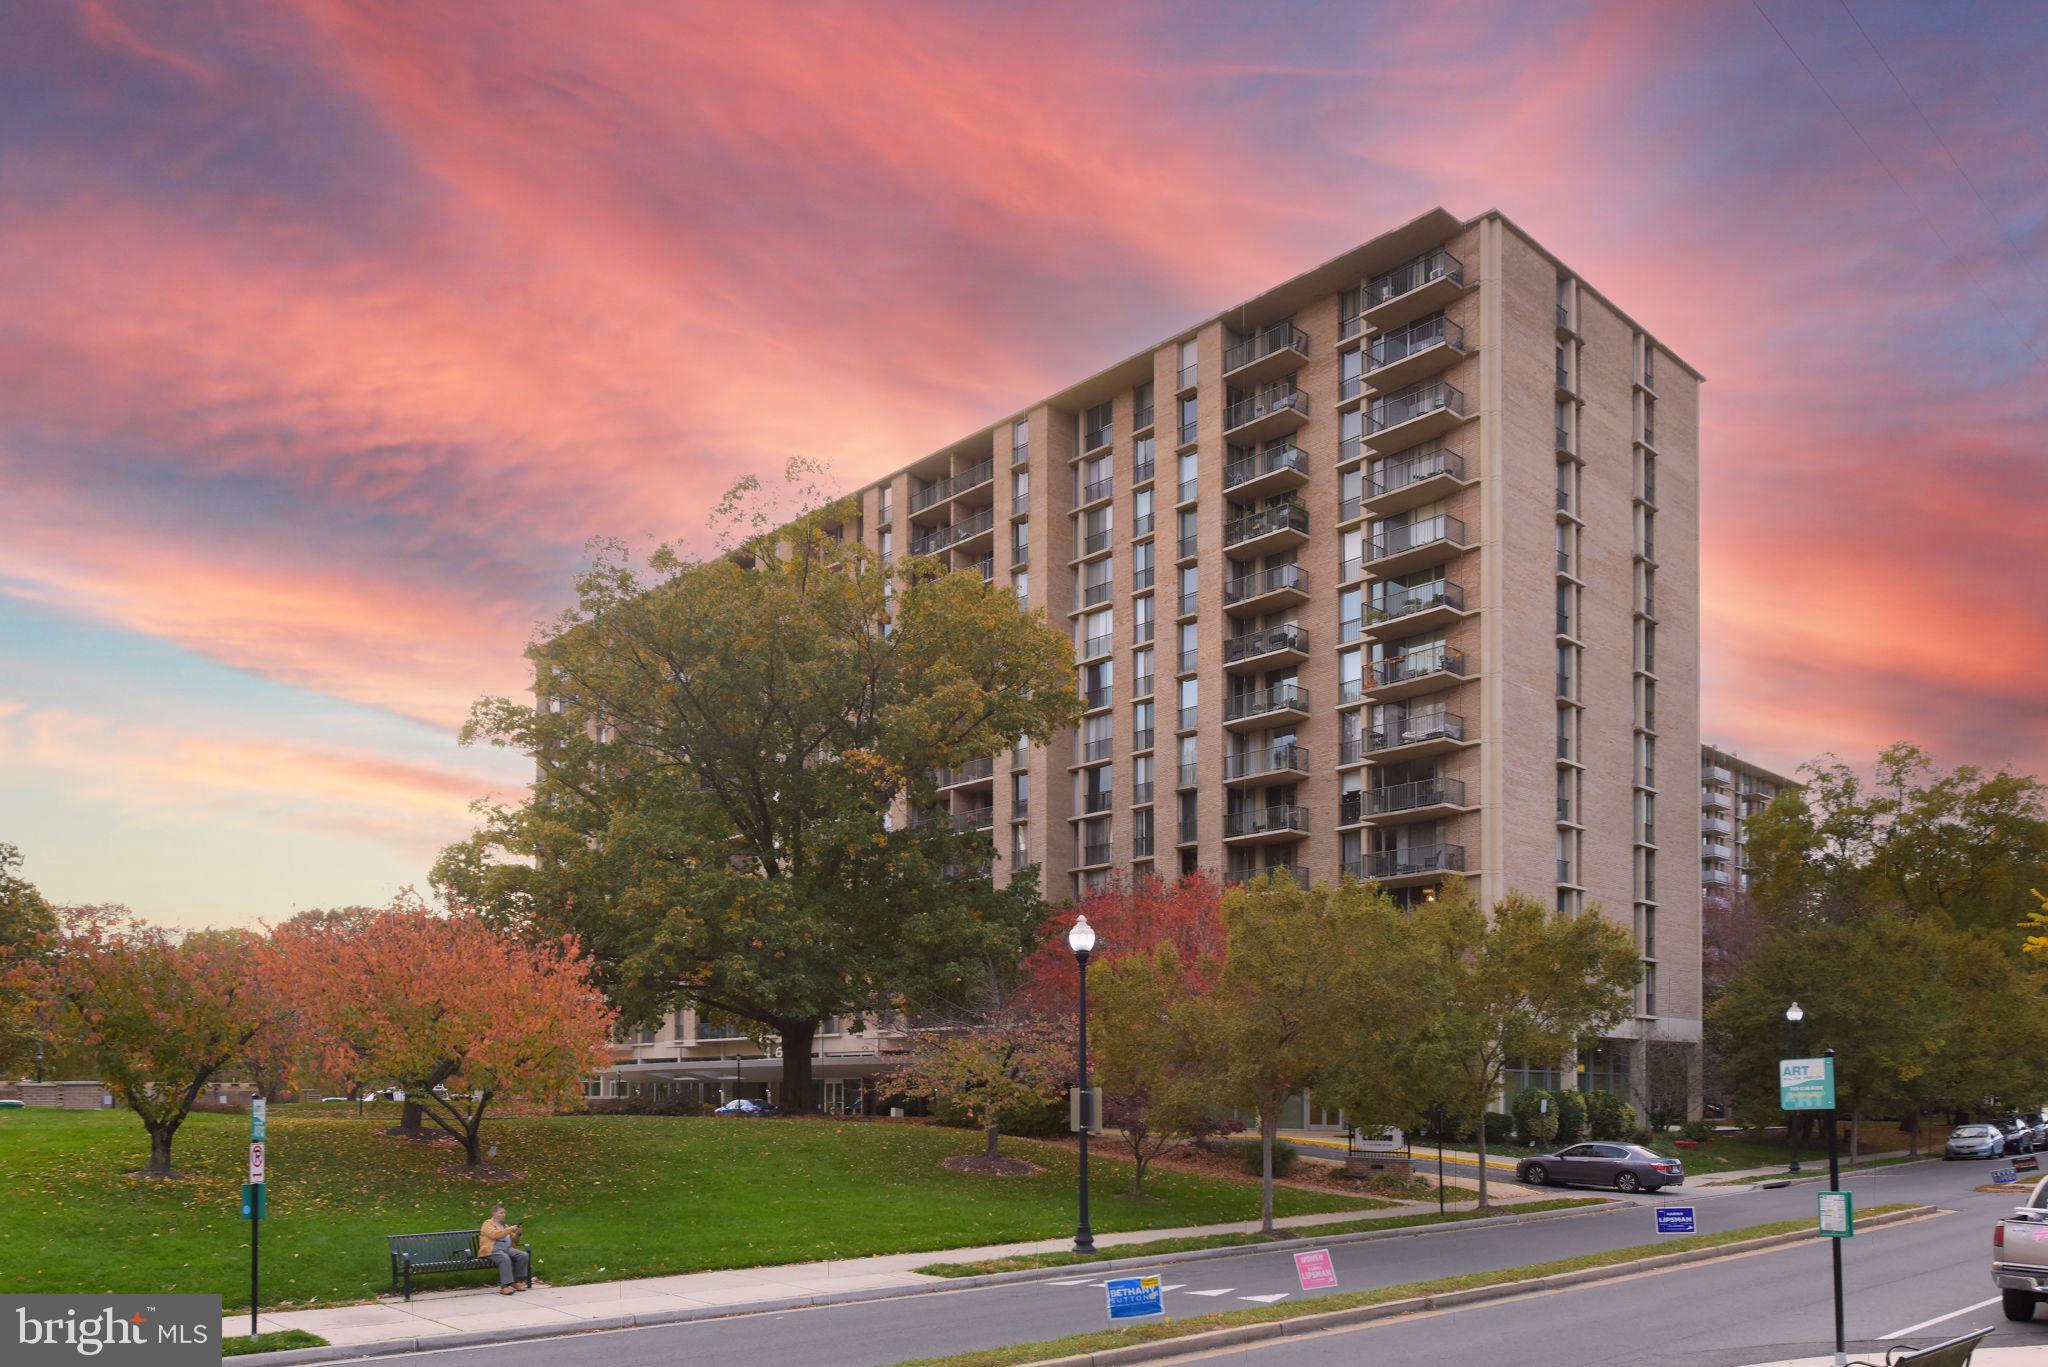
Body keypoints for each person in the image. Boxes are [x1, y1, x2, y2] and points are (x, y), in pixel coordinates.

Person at [478, 1205, 531, 1293]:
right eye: (501, 1213)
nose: (504, 1215)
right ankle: (505, 1286)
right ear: (494, 1213)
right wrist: (510, 1229)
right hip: (493, 1249)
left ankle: (516, 1281)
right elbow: (494, 1235)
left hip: (507, 1248)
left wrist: (518, 1234)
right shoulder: (488, 1223)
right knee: (504, 1258)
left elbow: (515, 1242)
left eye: (504, 1213)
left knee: (523, 1255)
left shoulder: (504, 1225)